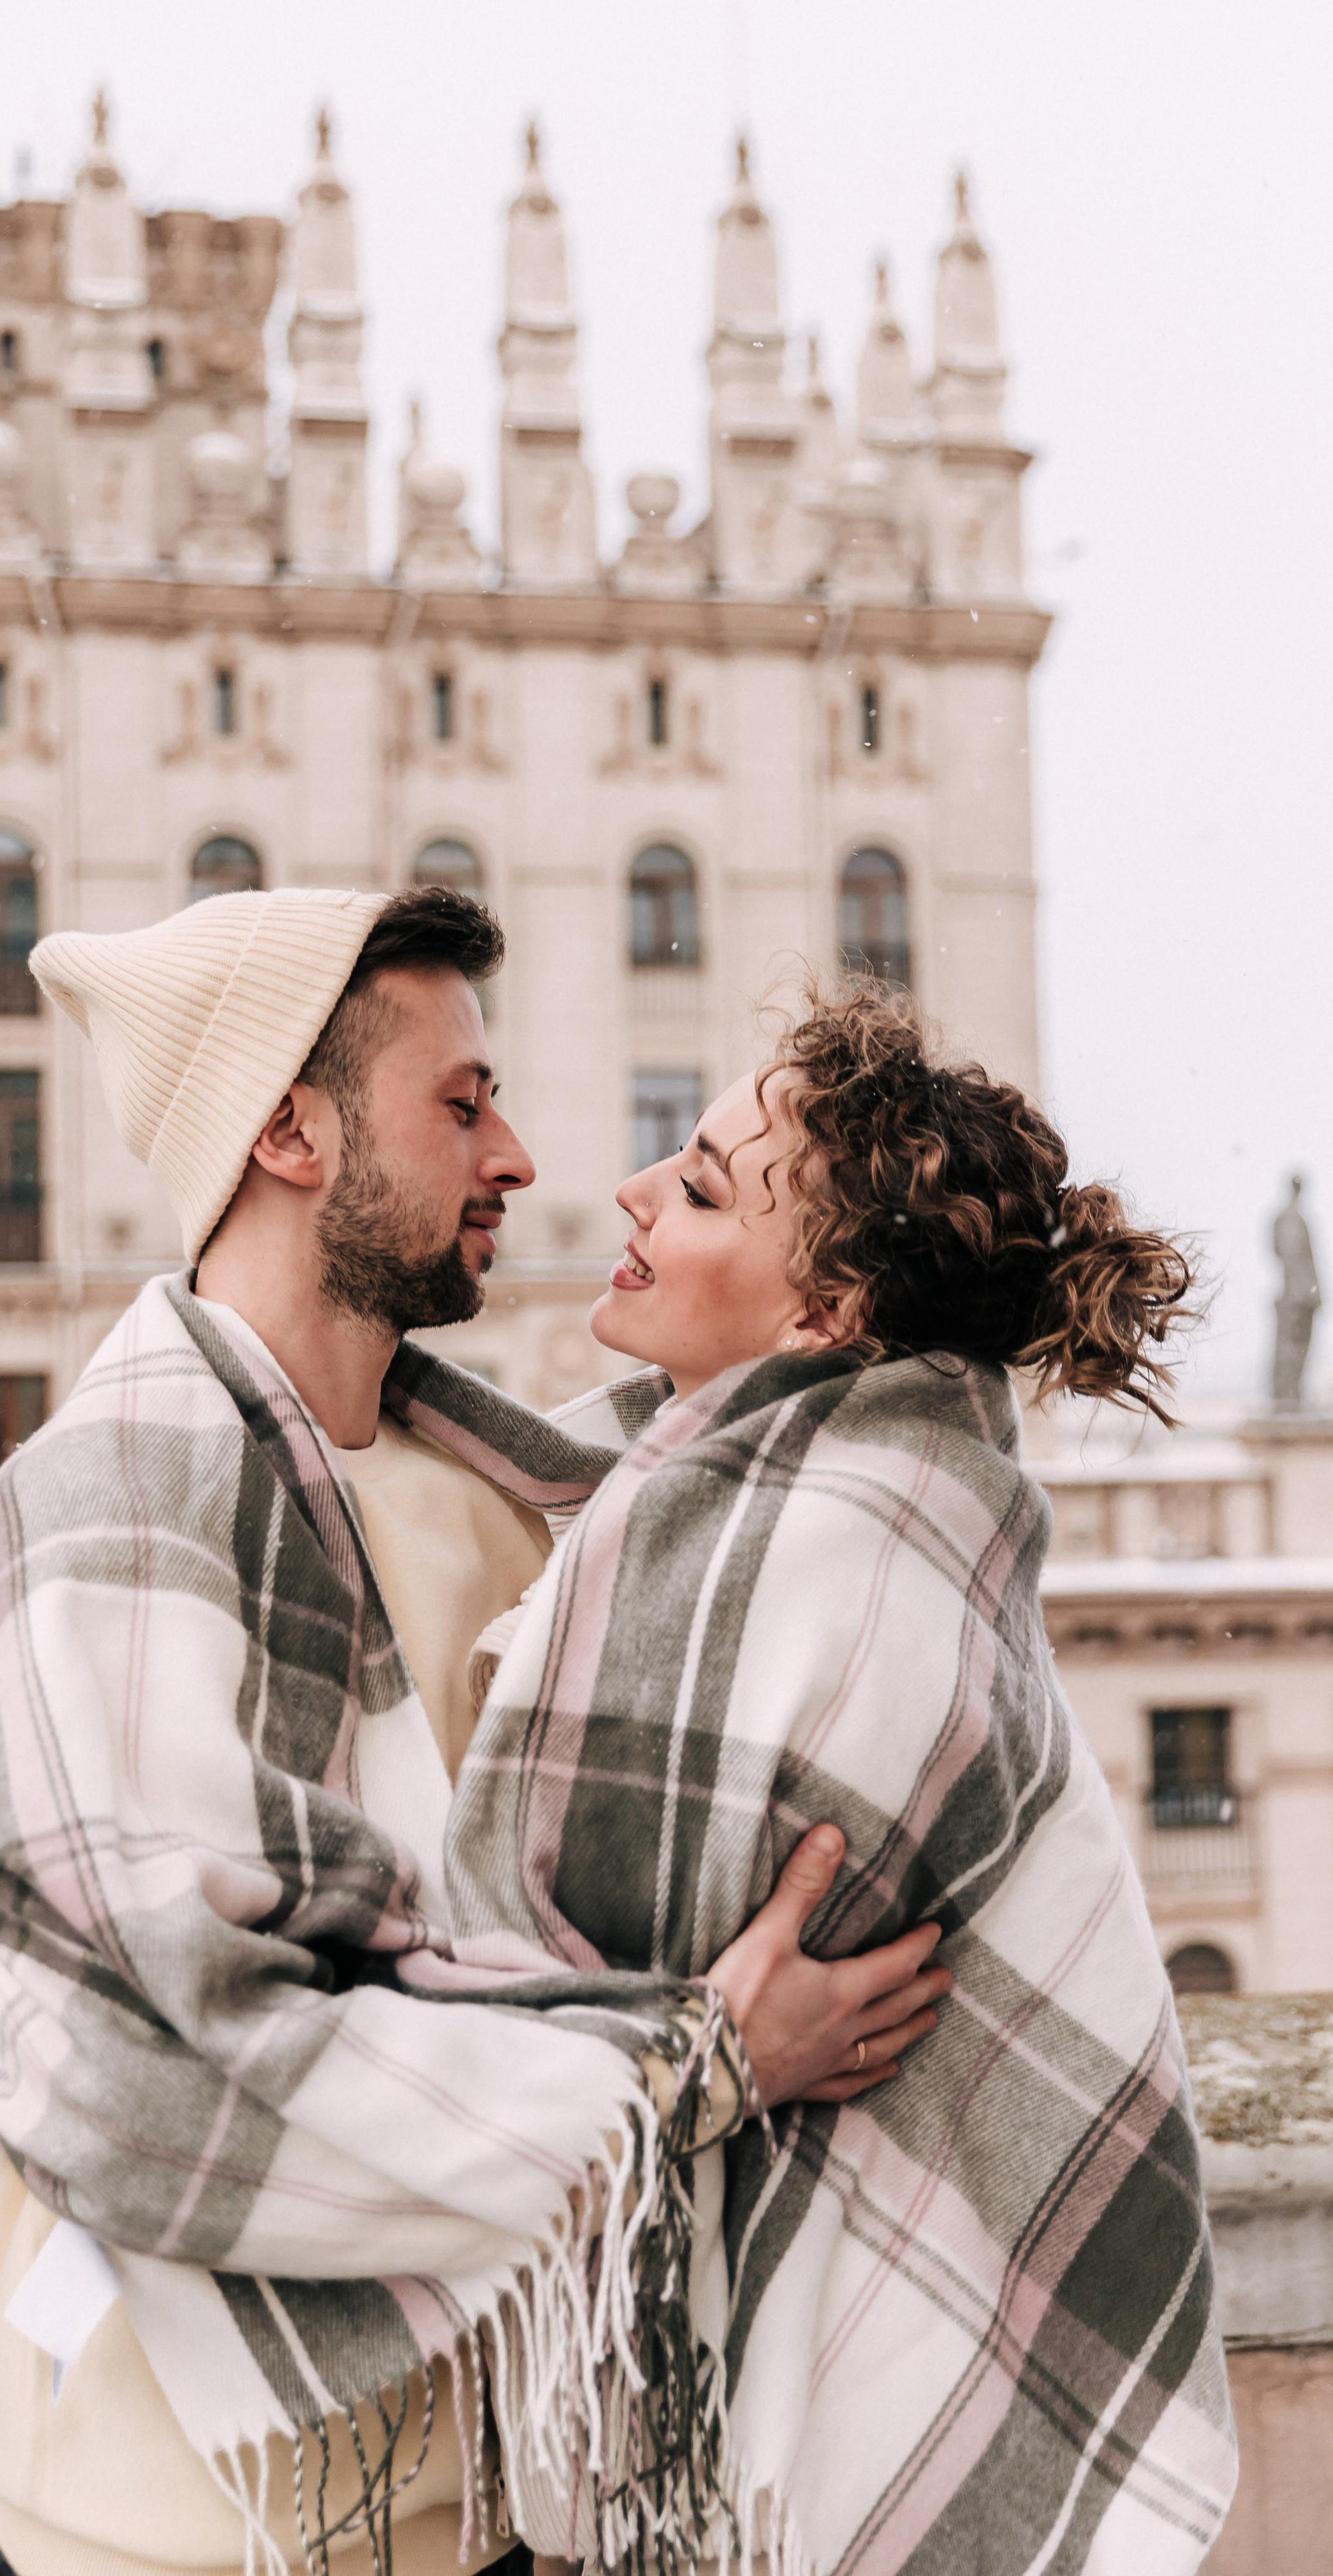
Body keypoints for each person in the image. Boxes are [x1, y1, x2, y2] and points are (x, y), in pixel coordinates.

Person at [0, 887, 946, 2576]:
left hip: (509, 2493)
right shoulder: (109, 1511)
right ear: (290, 1133)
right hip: (175, 2527)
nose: (516, 1156)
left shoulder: (528, 1506)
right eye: (458, 1104)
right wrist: (695, 2063)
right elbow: (160, 2072)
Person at [431, 981, 1238, 2572]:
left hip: (785, 2466)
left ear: (826, 1311)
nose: (631, 1193)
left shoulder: (838, 1545)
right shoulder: (760, 1498)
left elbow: (506, 2005)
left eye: (699, 1187)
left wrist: (703, 2046)